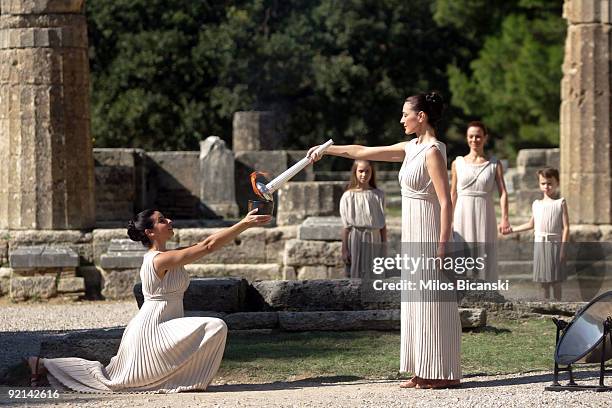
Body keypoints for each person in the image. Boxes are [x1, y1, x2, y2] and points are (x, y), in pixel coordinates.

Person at [308, 92, 461, 389]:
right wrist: (327, 150)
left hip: (430, 233)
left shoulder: (433, 151)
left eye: (406, 114)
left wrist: (444, 245)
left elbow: (446, 202)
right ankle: (421, 368)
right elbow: (362, 151)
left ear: (422, 117)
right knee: (415, 301)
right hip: (412, 231)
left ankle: (442, 371)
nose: (402, 119)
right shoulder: (409, 148)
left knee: (432, 300)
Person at [25, 208, 271, 392]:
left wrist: (243, 225)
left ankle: (43, 365)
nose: (170, 221)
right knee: (215, 326)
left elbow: (206, 243)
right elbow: (207, 246)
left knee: (113, 378)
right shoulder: (158, 259)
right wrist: (244, 223)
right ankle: (43, 364)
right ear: (150, 231)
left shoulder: (168, 255)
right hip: (151, 330)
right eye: (163, 220)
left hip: (165, 325)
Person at [450, 121, 510, 282]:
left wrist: (505, 218)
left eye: (478, 136)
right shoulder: (457, 163)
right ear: (466, 138)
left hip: (485, 213)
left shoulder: (494, 164)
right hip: (462, 213)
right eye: (471, 136)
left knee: (485, 252)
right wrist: (448, 219)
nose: (474, 140)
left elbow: (503, 192)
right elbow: (453, 193)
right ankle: (462, 294)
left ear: (485, 138)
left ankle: (487, 292)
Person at [504, 168, 569, 300]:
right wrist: (513, 229)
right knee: (543, 280)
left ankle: (559, 306)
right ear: (539, 184)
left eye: (550, 183)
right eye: (543, 183)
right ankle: (545, 306)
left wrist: (563, 249)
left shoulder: (560, 203)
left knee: (556, 280)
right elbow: (530, 224)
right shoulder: (536, 204)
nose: (546, 186)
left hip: (555, 244)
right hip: (540, 244)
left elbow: (566, 227)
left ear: (557, 183)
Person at [340, 160, 387, 278]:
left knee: (375, 274)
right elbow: (346, 227)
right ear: (355, 172)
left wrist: (384, 247)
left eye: (367, 171)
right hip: (356, 238)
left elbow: (383, 224)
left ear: (372, 173)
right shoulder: (348, 196)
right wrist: (344, 249)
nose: (364, 175)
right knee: (357, 275)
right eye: (361, 171)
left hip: (374, 238)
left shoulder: (378, 195)